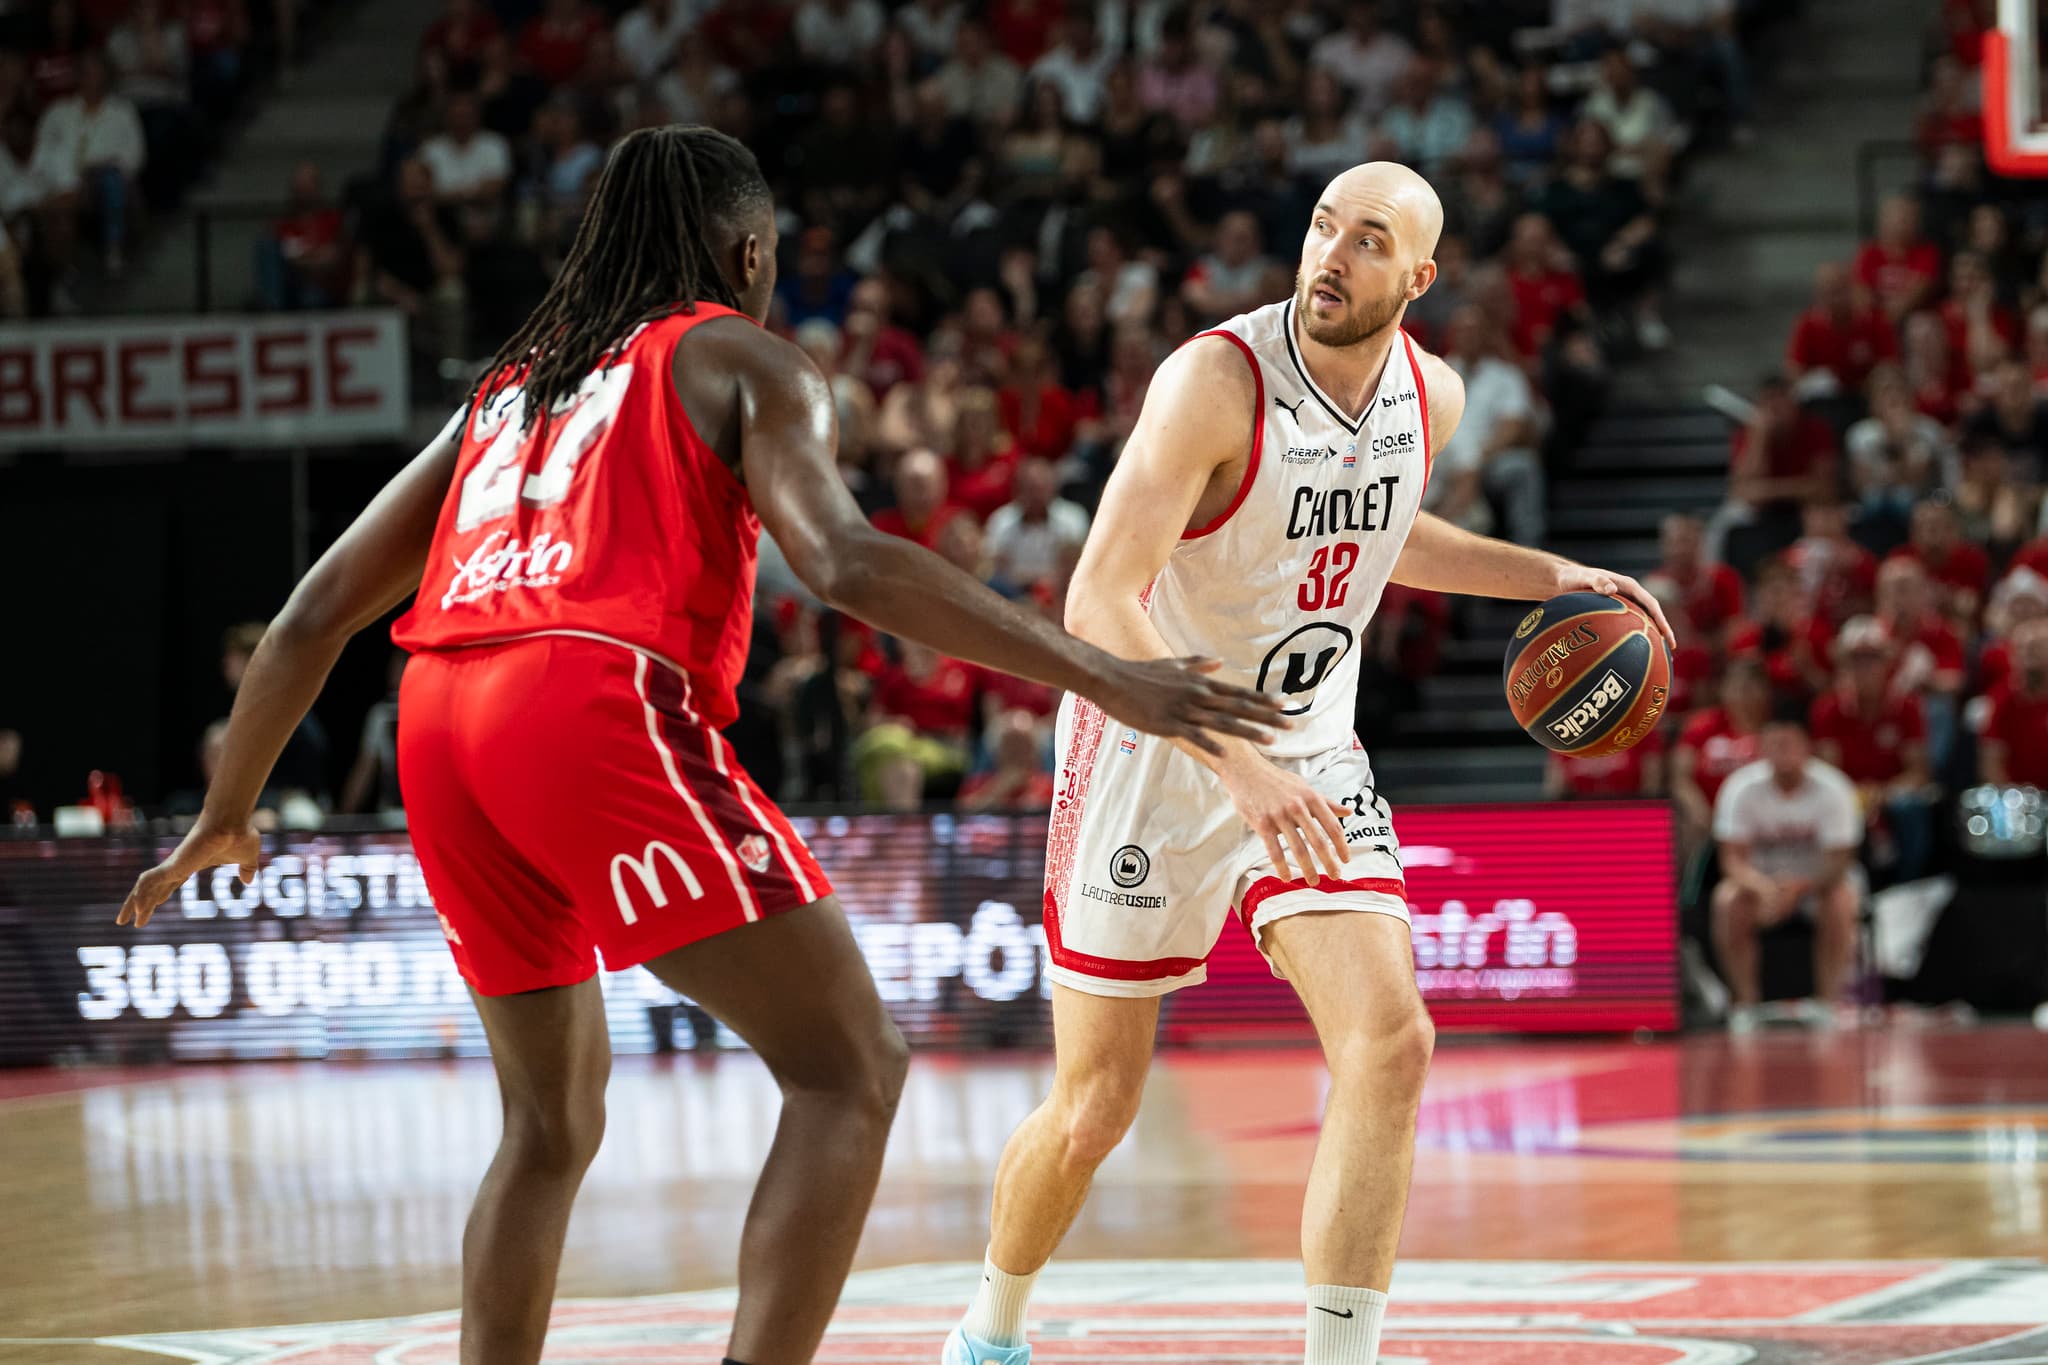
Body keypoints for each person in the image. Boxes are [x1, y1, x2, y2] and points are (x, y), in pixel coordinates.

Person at [116, 126, 1281, 1365]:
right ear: (748, 253)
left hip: (439, 721)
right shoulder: (739, 357)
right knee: (848, 1070)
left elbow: (310, 615)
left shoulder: (510, 388)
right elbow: (843, 562)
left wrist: (226, 809)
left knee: (546, 1128)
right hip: (583, 696)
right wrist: (1102, 671)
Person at [942, 161, 1670, 1365]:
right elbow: (1096, 599)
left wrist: (1549, 575)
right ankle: (989, 1331)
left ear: (1418, 277)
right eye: (1324, 226)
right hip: (1151, 748)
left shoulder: (1428, 396)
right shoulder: (1213, 383)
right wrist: (1237, 767)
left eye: (1367, 238)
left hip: (1311, 746)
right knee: (1094, 1110)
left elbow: (1386, 531)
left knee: (1392, 1043)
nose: (1331, 252)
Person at [1710, 704, 1864, 1033]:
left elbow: (1839, 861)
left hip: (1816, 888)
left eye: (1789, 744)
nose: (1782, 752)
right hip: (1762, 888)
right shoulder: (1740, 788)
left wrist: (1799, 888)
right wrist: (1764, 888)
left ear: (1806, 747)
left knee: (1841, 900)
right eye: (1774, 744)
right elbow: (1732, 860)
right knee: (1727, 900)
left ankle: (1828, 1003)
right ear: (1762, 748)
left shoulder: (1834, 788)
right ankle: (1746, 1004)